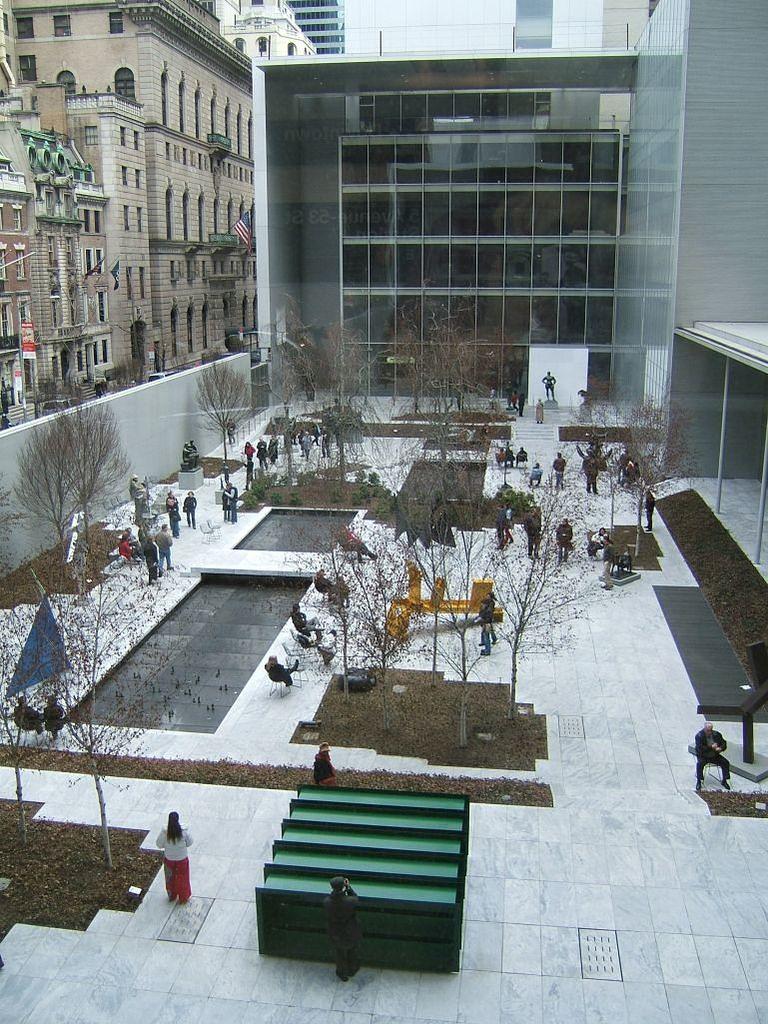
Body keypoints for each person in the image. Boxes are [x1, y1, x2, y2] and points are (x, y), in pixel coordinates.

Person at [324, 876, 362, 982]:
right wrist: (349, 888)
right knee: (352, 951)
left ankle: (341, 972)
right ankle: (352, 969)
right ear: (343, 886)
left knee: (339, 953)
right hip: (350, 931)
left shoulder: (327, 902)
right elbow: (355, 898)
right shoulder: (350, 901)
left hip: (335, 932)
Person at [156, 811, 193, 903]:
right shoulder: (184, 833)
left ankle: (172, 895)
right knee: (183, 878)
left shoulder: (165, 833)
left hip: (169, 860)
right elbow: (190, 842)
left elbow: (159, 844)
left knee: (170, 878)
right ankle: (183, 897)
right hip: (182, 860)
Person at [694, 722, 731, 791]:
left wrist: (721, 748)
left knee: (725, 762)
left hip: (714, 755)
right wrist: (711, 747)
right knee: (699, 764)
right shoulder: (699, 736)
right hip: (703, 756)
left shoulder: (716, 734)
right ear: (704, 729)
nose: (710, 732)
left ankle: (724, 780)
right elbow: (700, 748)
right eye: (708, 730)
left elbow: (723, 743)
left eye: (711, 730)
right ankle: (699, 781)